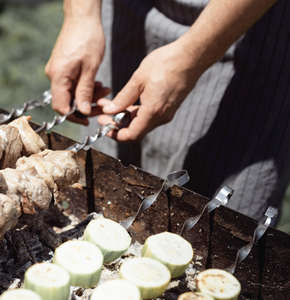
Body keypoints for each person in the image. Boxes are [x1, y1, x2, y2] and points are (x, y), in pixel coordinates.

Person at [45, 0, 290, 220]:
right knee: (96, 195)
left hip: (252, 31)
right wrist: (80, 15)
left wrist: (192, 55)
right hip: (125, 17)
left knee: (210, 223)